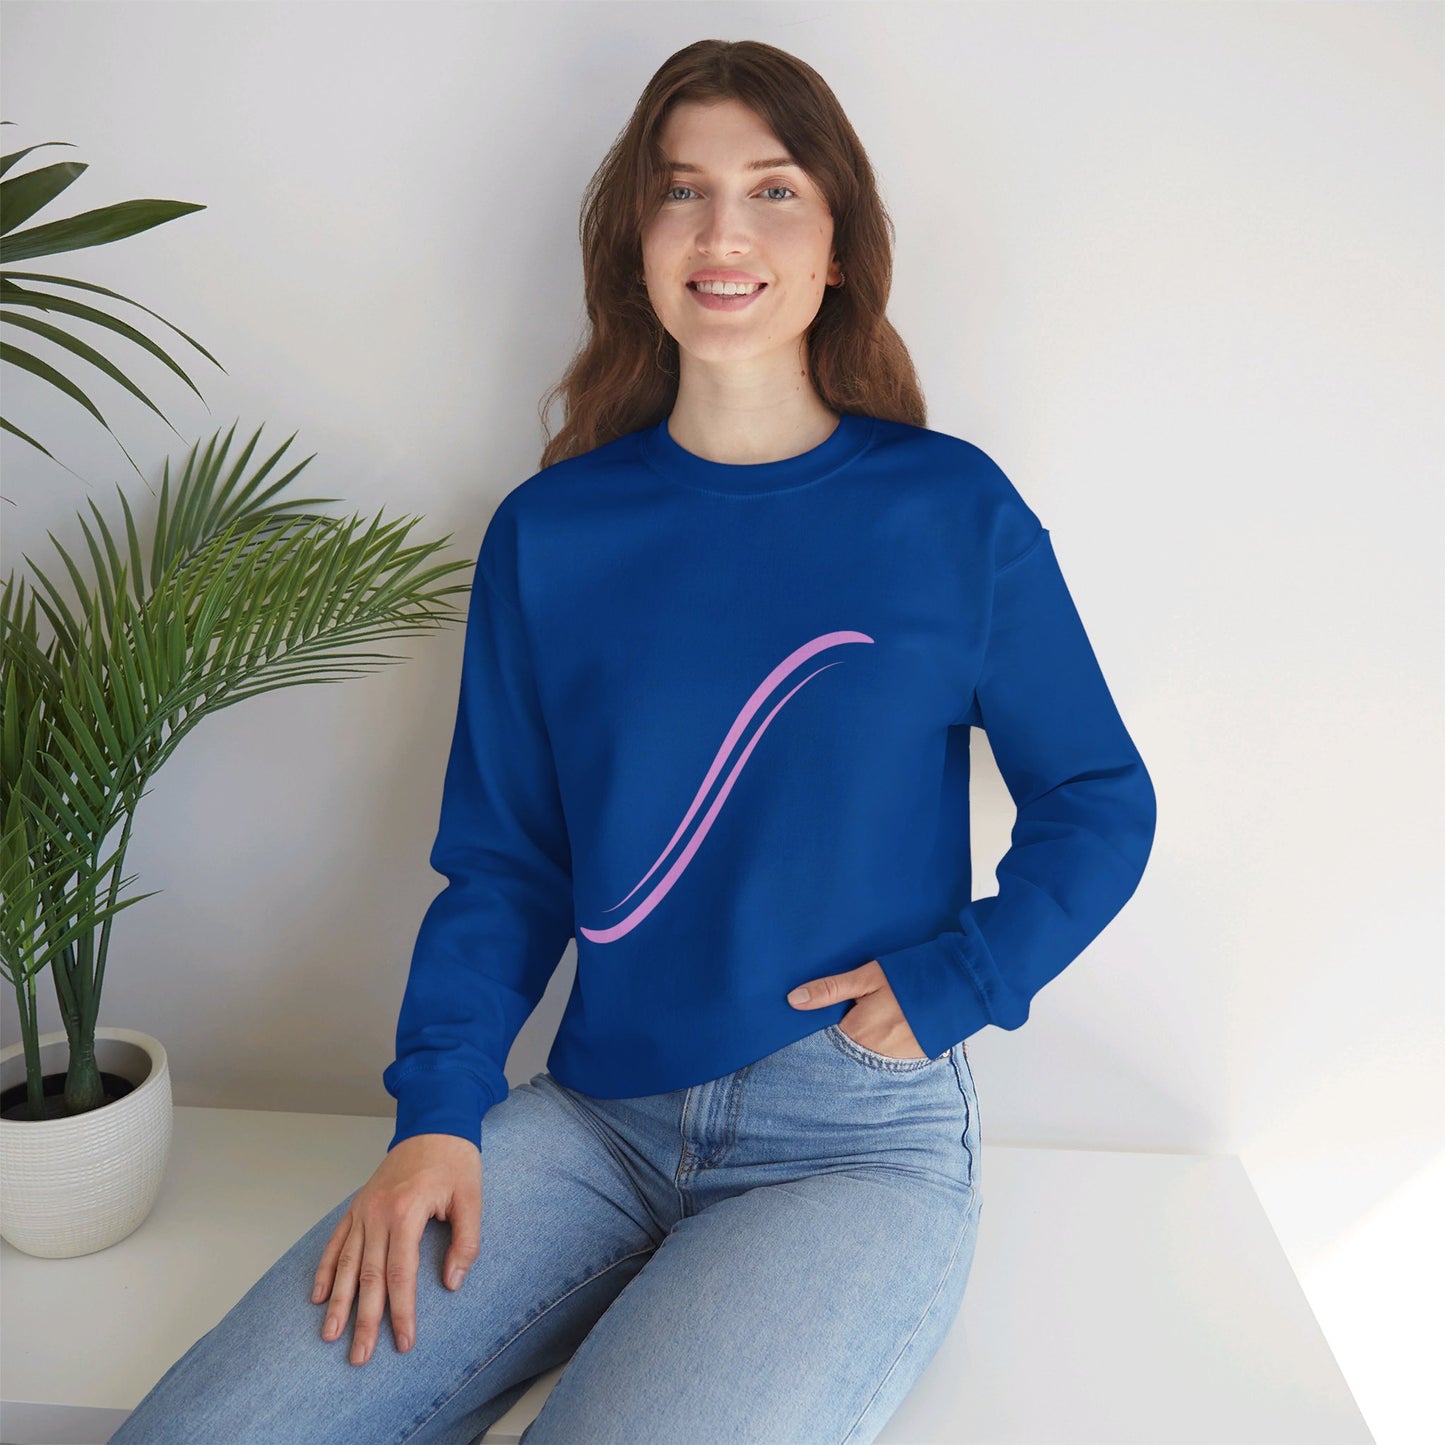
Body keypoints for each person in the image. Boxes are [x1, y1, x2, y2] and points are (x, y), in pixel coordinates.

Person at [110, 38, 1156, 1445]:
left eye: (772, 190)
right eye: (681, 191)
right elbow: (507, 866)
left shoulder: (949, 513)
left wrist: (962, 977)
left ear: (838, 246)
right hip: (594, 1117)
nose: (723, 231)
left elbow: (1097, 797)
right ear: (636, 241)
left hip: (849, 1140)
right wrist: (438, 1114)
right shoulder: (552, 533)